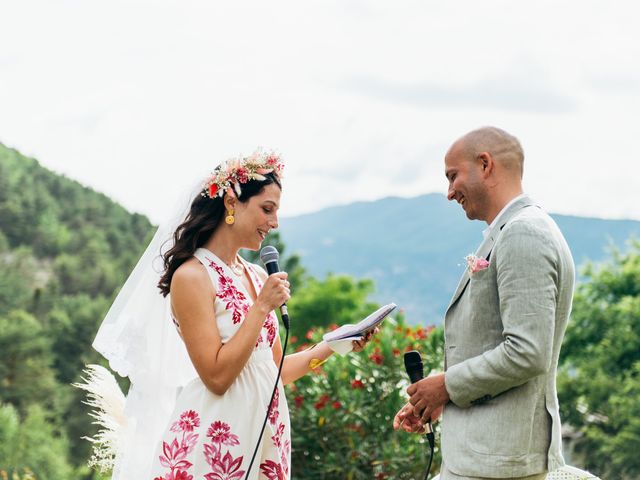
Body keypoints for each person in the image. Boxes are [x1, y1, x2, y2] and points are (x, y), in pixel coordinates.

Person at [91, 150, 375, 480]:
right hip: (219, 436)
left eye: (277, 211)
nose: (275, 222)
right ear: (230, 202)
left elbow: (276, 371)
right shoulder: (192, 276)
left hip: (267, 431)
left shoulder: (255, 275)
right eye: (266, 209)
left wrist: (336, 343)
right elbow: (216, 376)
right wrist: (261, 309)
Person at [393, 127, 575, 480]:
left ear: (485, 164)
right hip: (485, 457)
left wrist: (446, 385)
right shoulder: (513, 230)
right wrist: (438, 398)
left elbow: (527, 351)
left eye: (453, 176)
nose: (449, 193)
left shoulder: (525, 233)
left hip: (499, 462)